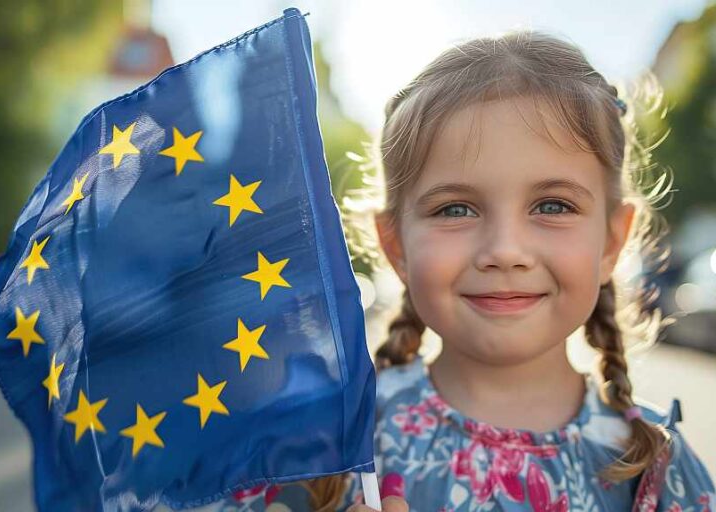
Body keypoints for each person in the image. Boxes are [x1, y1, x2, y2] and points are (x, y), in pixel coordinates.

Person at [204, 29, 716, 511]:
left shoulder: (655, 464)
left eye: (554, 205)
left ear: (611, 240)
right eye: (455, 209)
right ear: (395, 245)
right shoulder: (323, 450)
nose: (505, 250)